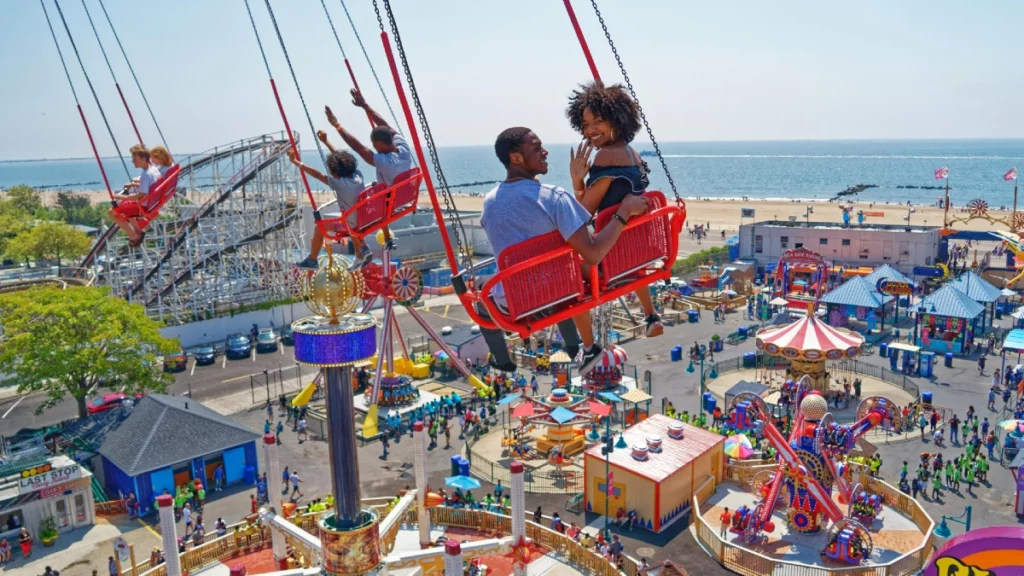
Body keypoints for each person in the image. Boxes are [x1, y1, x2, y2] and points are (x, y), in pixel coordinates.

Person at [478, 128, 650, 376]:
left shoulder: (489, 201)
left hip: (513, 303)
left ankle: (502, 359)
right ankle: (578, 347)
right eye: (536, 148)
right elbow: (593, 253)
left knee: (482, 291)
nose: (545, 152)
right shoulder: (553, 197)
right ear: (516, 158)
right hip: (557, 294)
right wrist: (624, 210)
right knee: (567, 278)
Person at [566, 81, 664, 337]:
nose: (590, 130)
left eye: (597, 121)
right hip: (637, 251)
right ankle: (650, 315)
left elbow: (582, 214)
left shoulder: (605, 157)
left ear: (616, 120)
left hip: (612, 257)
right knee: (624, 237)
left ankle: (585, 346)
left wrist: (577, 181)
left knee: (566, 271)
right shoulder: (633, 154)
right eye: (586, 125)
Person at [325, 89, 413, 251]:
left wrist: (337, 126)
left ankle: (362, 248)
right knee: (375, 189)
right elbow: (385, 126)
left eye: (374, 144)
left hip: (388, 201)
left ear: (379, 144)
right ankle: (388, 239)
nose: (372, 147)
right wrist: (365, 106)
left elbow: (358, 148)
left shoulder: (385, 162)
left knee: (356, 201)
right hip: (401, 196)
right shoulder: (403, 148)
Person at [289, 146, 373, 271]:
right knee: (350, 222)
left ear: (335, 172)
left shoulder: (338, 184)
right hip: (363, 219)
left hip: (351, 224)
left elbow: (317, 174)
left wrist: (296, 162)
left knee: (320, 227)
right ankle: (361, 253)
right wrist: (327, 142)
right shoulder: (358, 176)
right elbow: (344, 162)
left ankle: (312, 260)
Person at [108, 145, 164, 247]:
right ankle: (138, 230)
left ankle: (133, 235)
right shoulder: (154, 170)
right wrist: (134, 186)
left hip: (143, 206)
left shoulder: (145, 175)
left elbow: (139, 196)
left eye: (135, 159)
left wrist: (119, 196)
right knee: (125, 206)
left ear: (144, 159)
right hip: (150, 203)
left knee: (112, 212)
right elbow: (148, 187)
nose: (133, 161)